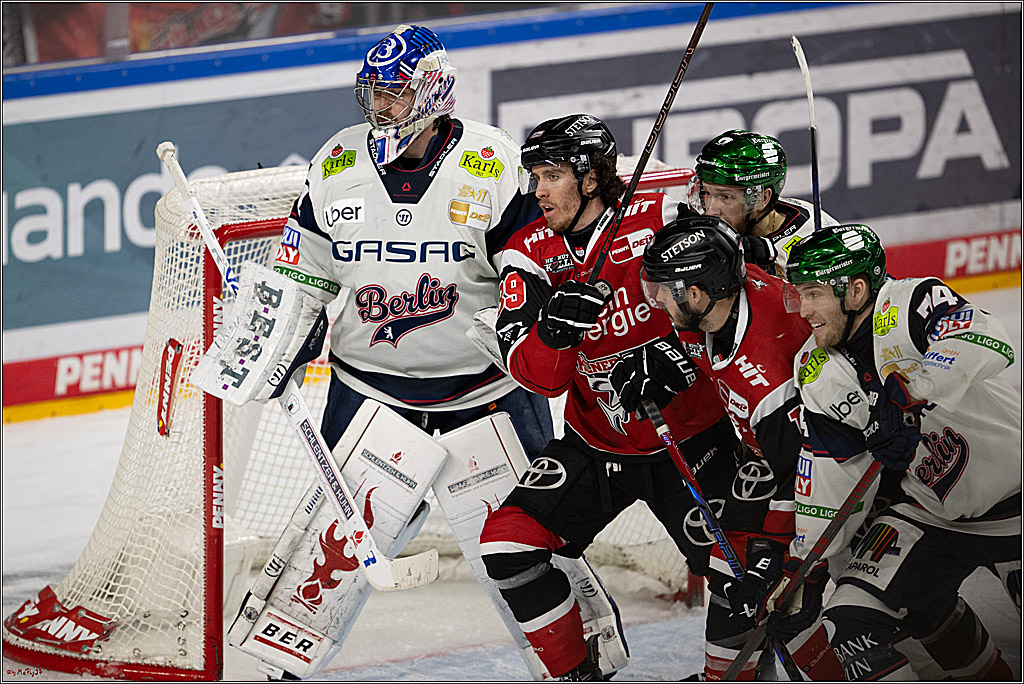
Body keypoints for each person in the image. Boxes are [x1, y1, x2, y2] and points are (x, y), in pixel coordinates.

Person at [478, 113, 742, 680]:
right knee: (507, 544)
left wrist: (681, 353)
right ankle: (576, 674)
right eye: (534, 177)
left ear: (591, 178)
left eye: (551, 176)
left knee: (741, 570)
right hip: (596, 445)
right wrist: (553, 333)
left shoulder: (663, 217)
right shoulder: (528, 253)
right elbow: (537, 380)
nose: (538, 191)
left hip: (692, 438)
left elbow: (730, 303)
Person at [761, 223, 1021, 681]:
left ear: (857, 290)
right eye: (798, 295)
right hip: (932, 515)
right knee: (849, 625)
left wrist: (910, 391)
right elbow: (830, 475)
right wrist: (807, 567)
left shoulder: (909, 302)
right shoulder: (817, 369)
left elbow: (987, 340)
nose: (804, 310)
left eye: (815, 294)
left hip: (1017, 497)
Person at [280, 23, 551, 454]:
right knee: (354, 525)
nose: (381, 105)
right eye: (375, 92)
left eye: (396, 92)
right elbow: (304, 273)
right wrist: (282, 340)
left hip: (487, 388)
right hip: (366, 387)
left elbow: (532, 263)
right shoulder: (337, 161)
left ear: (433, 91)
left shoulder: (493, 160)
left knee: (522, 522)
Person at [608, 216, 844, 680]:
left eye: (662, 289)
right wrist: (666, 355)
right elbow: (703, 331)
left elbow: (804, 477)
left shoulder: (769, 374)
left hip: (825, 478)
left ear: (695, 294)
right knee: (730, 580)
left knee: (783, 601)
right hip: (772, 461)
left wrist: (771, 556)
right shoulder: (726, 293)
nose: (653, 299)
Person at [688, 129, 838, 277]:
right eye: (706, 193)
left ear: (762, 198)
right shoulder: (742, 216)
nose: (711, 211)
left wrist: (768, 279)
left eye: (725, 197)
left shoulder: (809, 249)